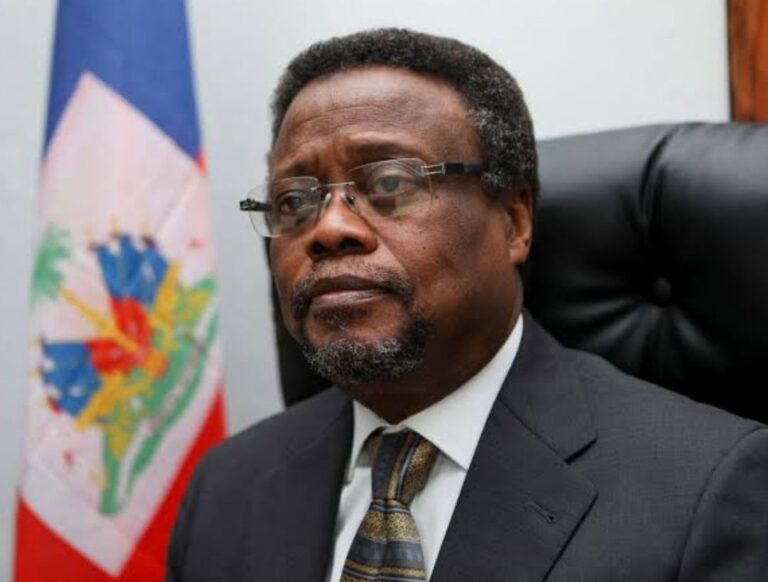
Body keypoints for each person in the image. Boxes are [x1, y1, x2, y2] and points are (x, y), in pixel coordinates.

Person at [166, 29, 768, 581]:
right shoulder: (225, 489)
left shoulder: (707, 488)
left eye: (390, 184)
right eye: (294, 201)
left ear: (513, 221)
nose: (328, 228)